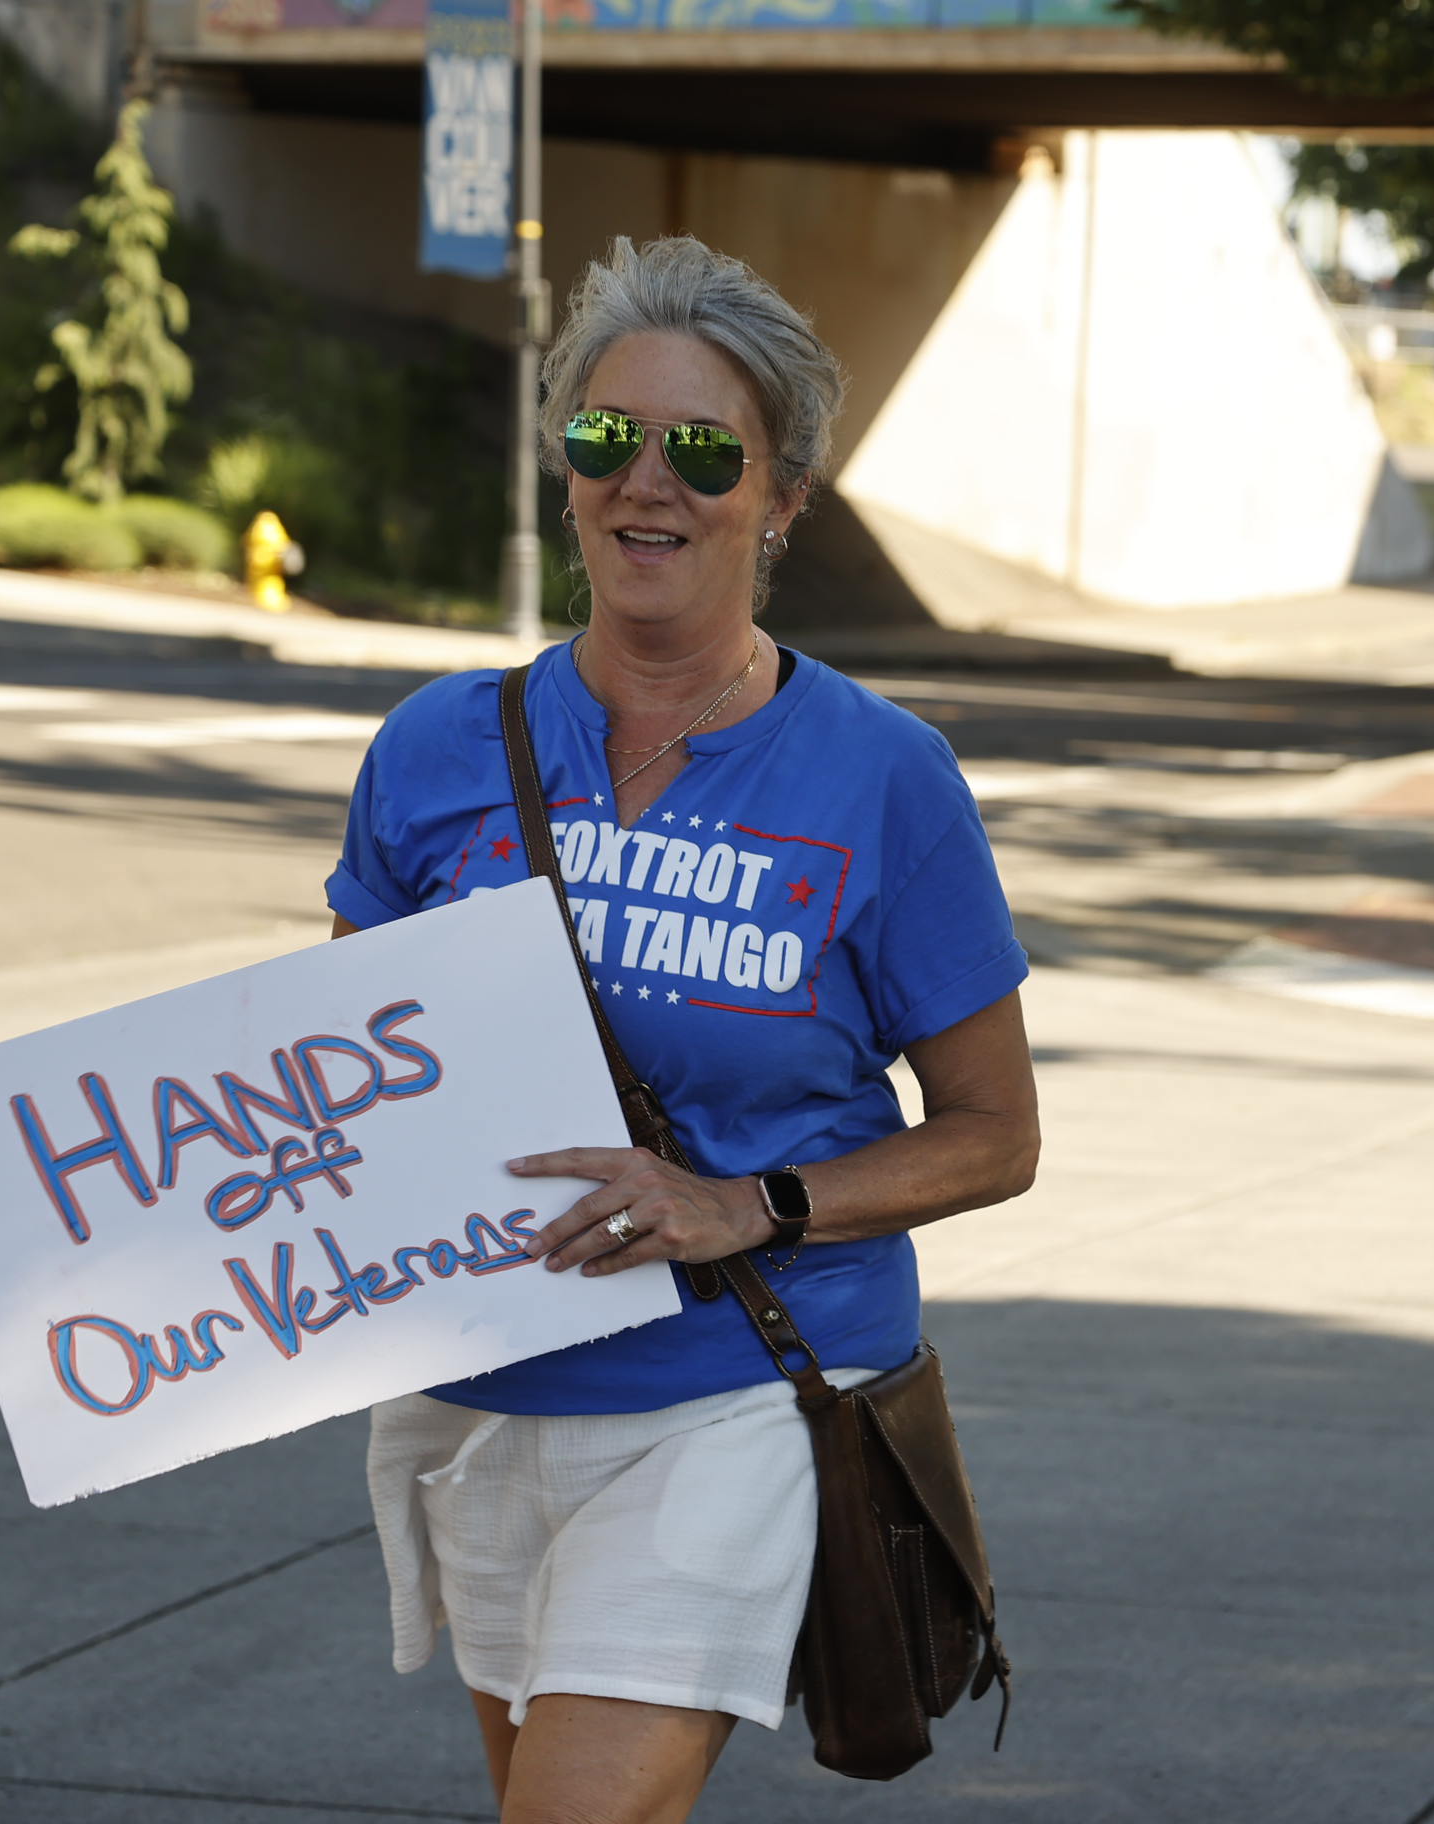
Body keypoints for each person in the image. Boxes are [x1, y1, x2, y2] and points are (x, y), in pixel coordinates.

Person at [325, 236, 1039, 1824]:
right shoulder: (437, 747)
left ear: (782, 499)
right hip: (481, 1398)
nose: (647, 481)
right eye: (607, 436)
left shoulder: (884, 776)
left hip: (736, 1392)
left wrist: (745, 1205)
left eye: (705, 451)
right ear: (567, 466)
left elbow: (998, 1136)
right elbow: (349, 1077)